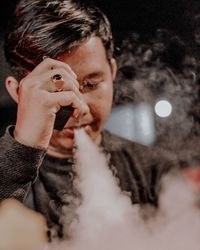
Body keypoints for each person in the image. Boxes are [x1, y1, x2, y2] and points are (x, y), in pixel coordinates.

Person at [0, 0, 176, 239]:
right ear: (17, 92)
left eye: (91, 84)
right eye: (56, 90)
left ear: (112, 72)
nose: (78, 107)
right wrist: (23, 148)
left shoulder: (155, 171)